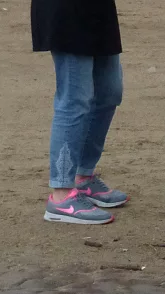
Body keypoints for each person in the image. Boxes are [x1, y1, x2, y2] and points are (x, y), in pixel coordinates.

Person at [32, 0, 129, 225]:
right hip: (65, 9)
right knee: (75, 99)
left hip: (97, 10)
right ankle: (61, 194)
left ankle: (82, 176)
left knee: (109, 92)